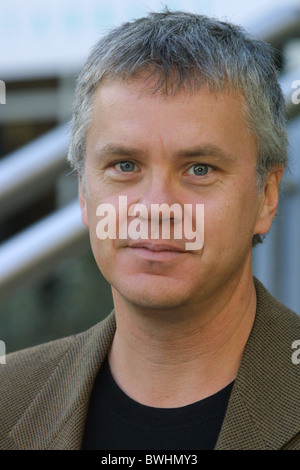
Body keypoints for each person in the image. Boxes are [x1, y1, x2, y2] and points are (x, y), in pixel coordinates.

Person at [0, 9, 299, 451]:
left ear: (267, 196)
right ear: (84, 192)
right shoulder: (11, 396)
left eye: (199, 168)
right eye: (124, 166)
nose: (156, 207)